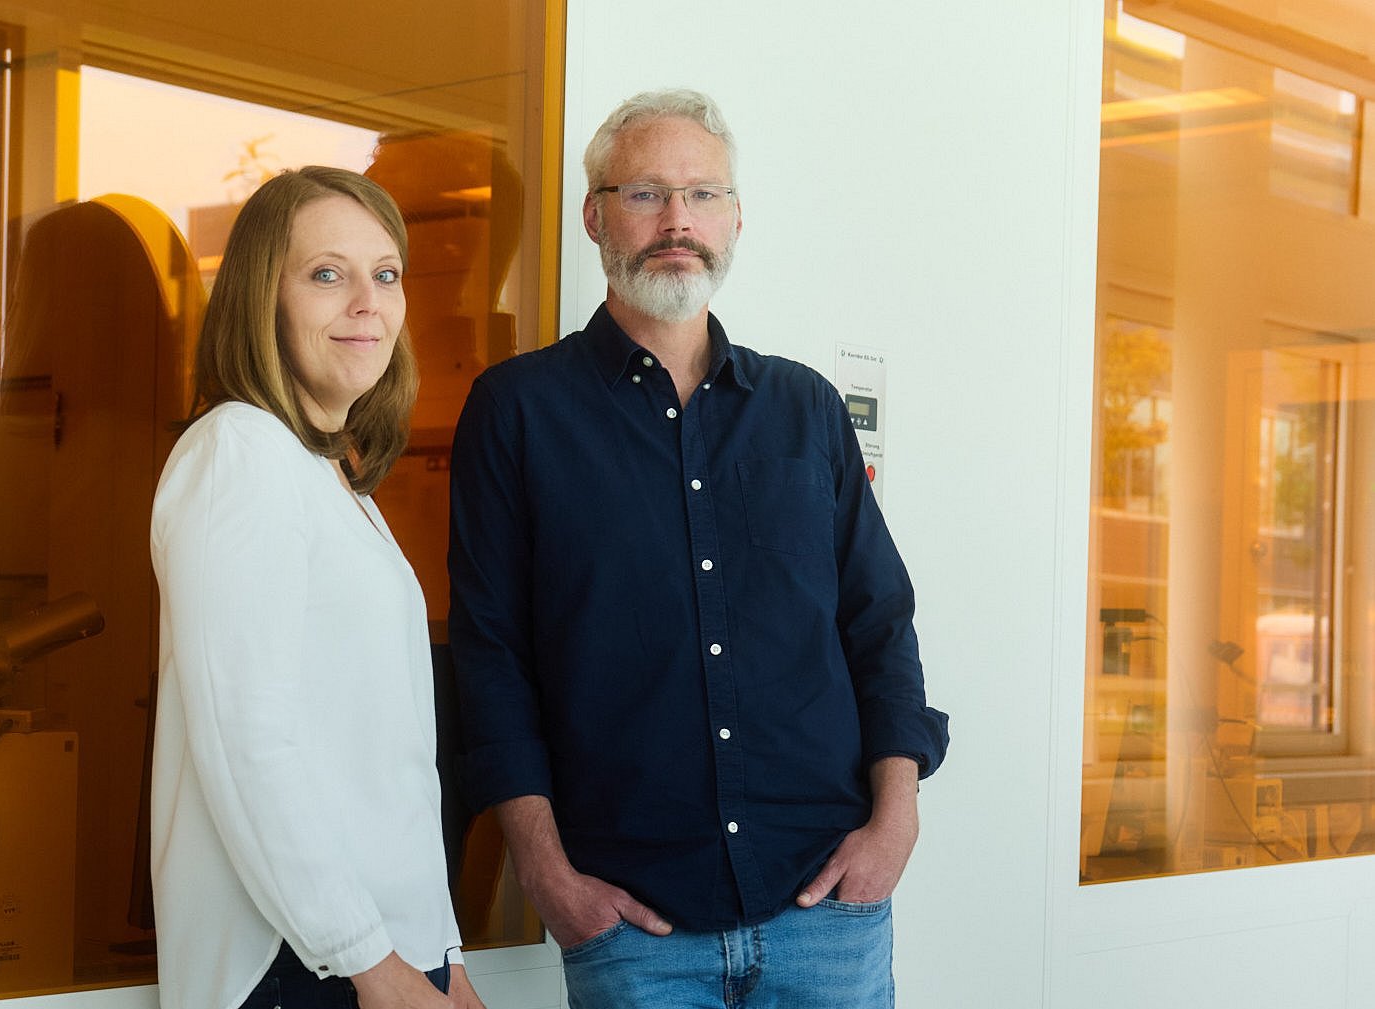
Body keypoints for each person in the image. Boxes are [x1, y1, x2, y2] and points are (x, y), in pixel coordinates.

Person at [447, 89, 951, 1009]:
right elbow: (491, 657)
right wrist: (548, 875)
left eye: (702, 195)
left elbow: (878, 622)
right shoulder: (517, 411)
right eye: (645, 193)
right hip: (634, 927)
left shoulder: (804, 408)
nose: (677, 220)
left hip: (828, 912)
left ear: (736, 219)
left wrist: (895, 819)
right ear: (594, 215)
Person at [149, 166, 485, 1009]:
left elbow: (391, 766)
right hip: (302, 962)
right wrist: (369, 958)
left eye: (385, 274)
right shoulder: (239, 452)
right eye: (326, 274)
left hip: (379, 954)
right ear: (264, 298)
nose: (367, 302)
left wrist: (443, 952)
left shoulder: (333, 475)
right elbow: (247, 742)